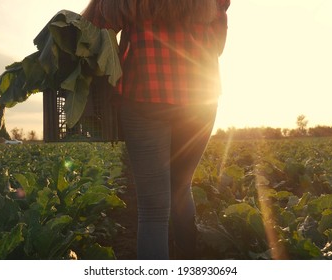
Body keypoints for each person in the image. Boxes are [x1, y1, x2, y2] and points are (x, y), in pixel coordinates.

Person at [82, 0, 230, 259]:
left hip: (146, 93)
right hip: (200, 97)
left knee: (153, 211)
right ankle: (188, 262)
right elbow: (218, 45)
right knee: (182, 186)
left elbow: (90, 30)